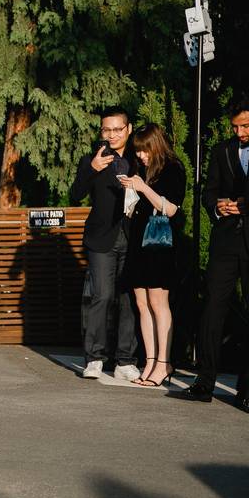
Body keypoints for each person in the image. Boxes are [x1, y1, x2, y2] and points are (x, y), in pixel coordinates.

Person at [170, 98, 249, 412]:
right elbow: (209, 191)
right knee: (212, 310)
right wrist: (217, 206)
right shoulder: (222, 151)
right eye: (236, 126)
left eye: (246, 125)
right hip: (225, 240)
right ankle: (204, 382)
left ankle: (245, 390)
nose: (240, 132)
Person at [71, 107, 140, 381]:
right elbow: (76, 194)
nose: (111, 135)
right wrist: (91, 170)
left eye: (117, 130)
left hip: (133, 236)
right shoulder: (93, 159)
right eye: (106, 130)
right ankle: (95, 358)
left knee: (129, 299)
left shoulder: (139, 158)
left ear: (129, 129)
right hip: (102, 238)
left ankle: (125, 359)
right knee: (101, 297)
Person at [119, 124, 186, 387]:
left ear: (155, 146)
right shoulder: (141, 168)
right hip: (139, 241)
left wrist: (143, 188)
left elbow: (170, 209)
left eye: (144, 151)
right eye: (138, 152)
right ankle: (150, 360)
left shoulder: (173, 168)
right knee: (142, 302)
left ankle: (164, 363)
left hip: (159, 243)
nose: (141, 156)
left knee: (159, 302)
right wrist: (130, 193)